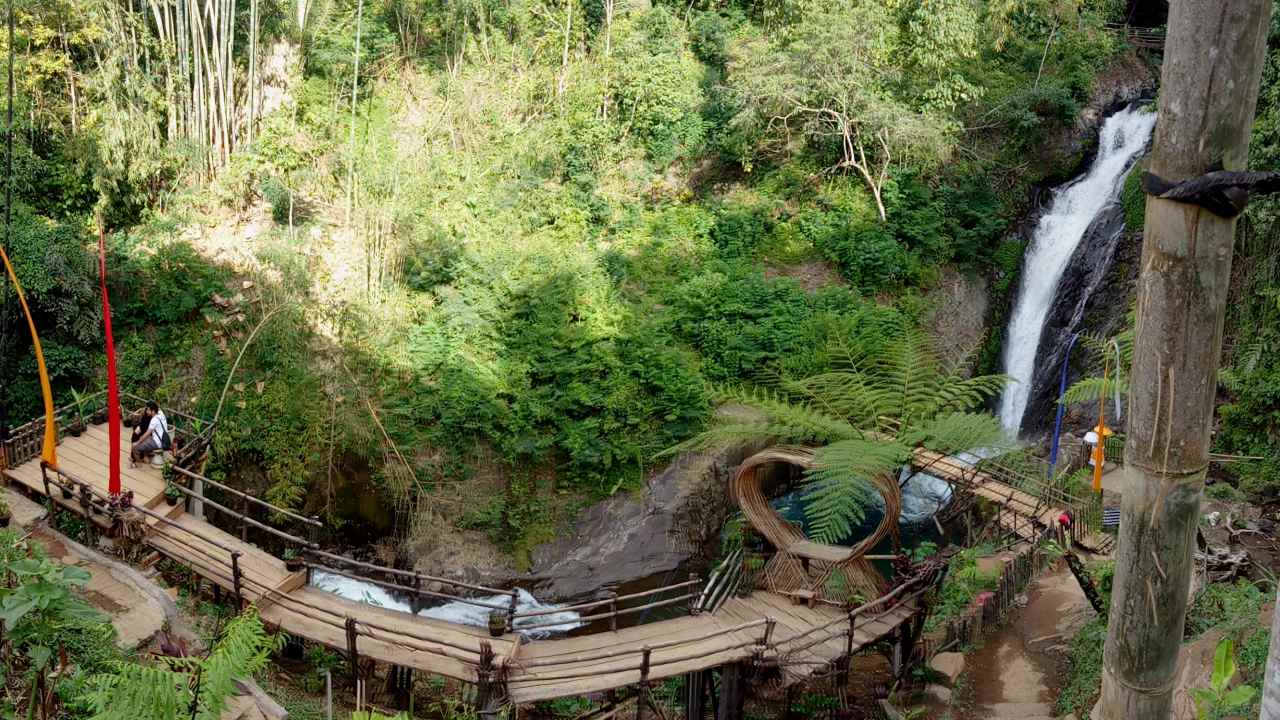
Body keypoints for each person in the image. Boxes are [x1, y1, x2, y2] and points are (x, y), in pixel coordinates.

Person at [130, 401, 170, 466]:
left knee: (135, 447)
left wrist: (137, 443)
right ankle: (142, 456)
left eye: (148, 410)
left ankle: (139, 463)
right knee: (139, 436)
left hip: (157, 442)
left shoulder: (154, 420)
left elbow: (146, 434)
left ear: (153, 410)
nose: (147, 411)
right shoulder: (161, 413)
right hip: (163, 439)